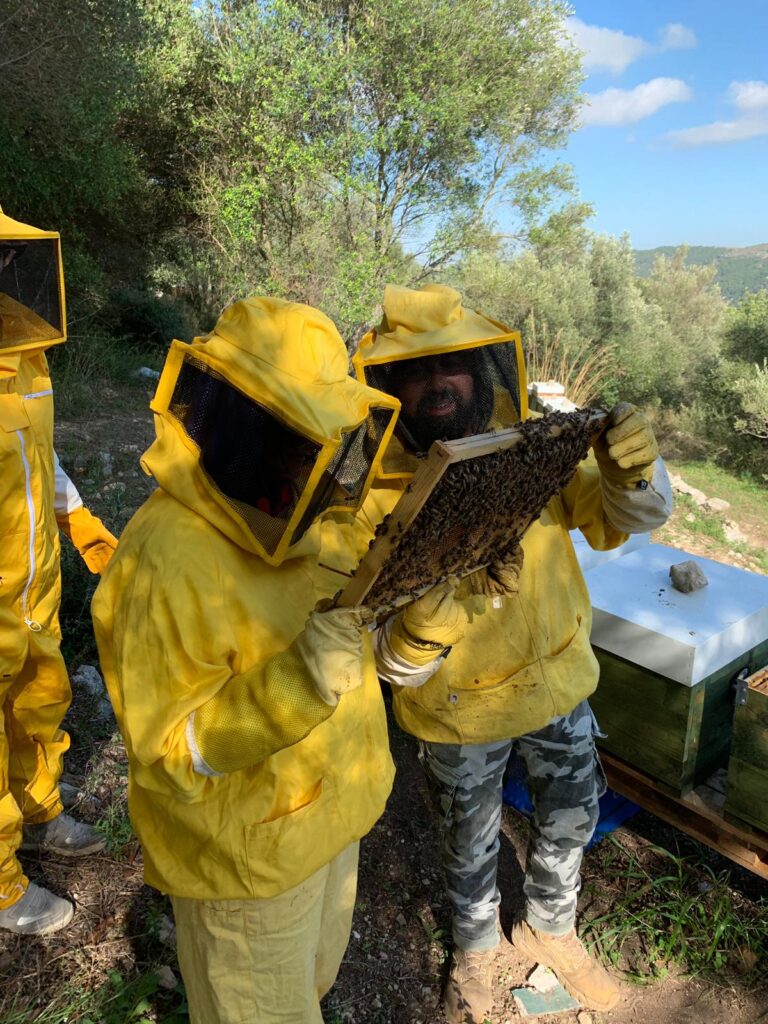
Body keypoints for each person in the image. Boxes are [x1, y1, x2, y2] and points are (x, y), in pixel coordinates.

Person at [90, 295, 439, 1024]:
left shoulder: (316, 520)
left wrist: (433, 608)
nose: (314, 461)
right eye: (295, 437)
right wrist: (293, 687)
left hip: (330, 824)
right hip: (244, 868)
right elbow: (169, 754)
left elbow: (365, 655)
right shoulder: (164, 562)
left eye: (323, 439)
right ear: (239, 424)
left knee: (310, 989)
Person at [352, 284, 673, 1022]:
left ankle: (551, 929)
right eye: (416, 371)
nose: (439, 382)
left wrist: (632, 471)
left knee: (571, 816)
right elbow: (374, 650)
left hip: (556, 679)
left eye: (454, 365)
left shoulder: (529, 445)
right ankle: (475, 951)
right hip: (457, 706)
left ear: (482, 369)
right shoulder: (368, 493)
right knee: (468, 839)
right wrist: (422, 625)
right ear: (387, 383)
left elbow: (624, 516)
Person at [0, 207, 117, 937]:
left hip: (33, 584)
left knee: (39, 700)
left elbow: (37, 455)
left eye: (6, 259)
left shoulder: (25, 348)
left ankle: (39, 808)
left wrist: (82, 526)